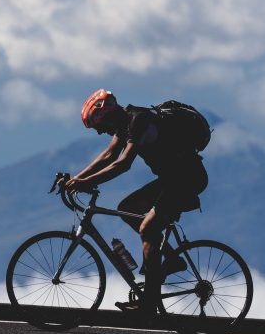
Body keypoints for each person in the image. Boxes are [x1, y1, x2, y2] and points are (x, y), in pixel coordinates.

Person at [64, 89, 208, 321]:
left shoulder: (139, 120)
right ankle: (171, 259)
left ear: (107, 115)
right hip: (172, 179)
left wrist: (84, 182)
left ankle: (149, 304)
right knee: (128, 208)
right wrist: (76, 180)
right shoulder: (125, 123)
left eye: (99, 126)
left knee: (148, 229)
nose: (101, 132)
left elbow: (122, 164)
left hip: (187, 178)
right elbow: (108, 156)